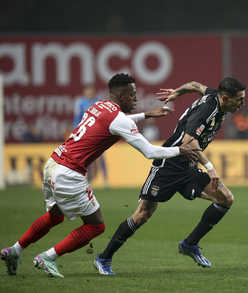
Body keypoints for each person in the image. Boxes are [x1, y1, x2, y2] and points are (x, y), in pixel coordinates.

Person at [0, 73, 199, 278]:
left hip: (53, 163)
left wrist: (145, 115)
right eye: (133, 94)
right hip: (69, 173)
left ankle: (14, 250)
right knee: (96, 226)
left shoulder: (99, 106)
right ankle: (48, 257)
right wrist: (180, 150)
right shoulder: (118, 118)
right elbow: (149, 152)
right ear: (121, 96)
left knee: (55, 216)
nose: (136, 99)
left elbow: (116, 121)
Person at [94, 78, 245, 275]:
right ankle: (103, 258)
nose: (241, 104)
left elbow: (194, 85)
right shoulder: (208, 110)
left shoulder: (214, 95)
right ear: (225, 98)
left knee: (226, 199)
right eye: (239, 100)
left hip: (188, 166)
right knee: (142, 215)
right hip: (169, 164)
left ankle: (190, 244)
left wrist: (178, 92)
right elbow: (188, 141)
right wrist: (210, 168)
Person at [73, 84, 109, 186]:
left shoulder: (99, 102)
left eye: (91, 90)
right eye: (88, 90)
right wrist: (76, 133)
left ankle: (106, 179)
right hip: (85, 134)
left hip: (98, 134)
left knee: (101, 157)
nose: (90, 92)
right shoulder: (80, 103)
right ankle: (88, 180)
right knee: (86, 157)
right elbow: (77, 120)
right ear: (84, 91)